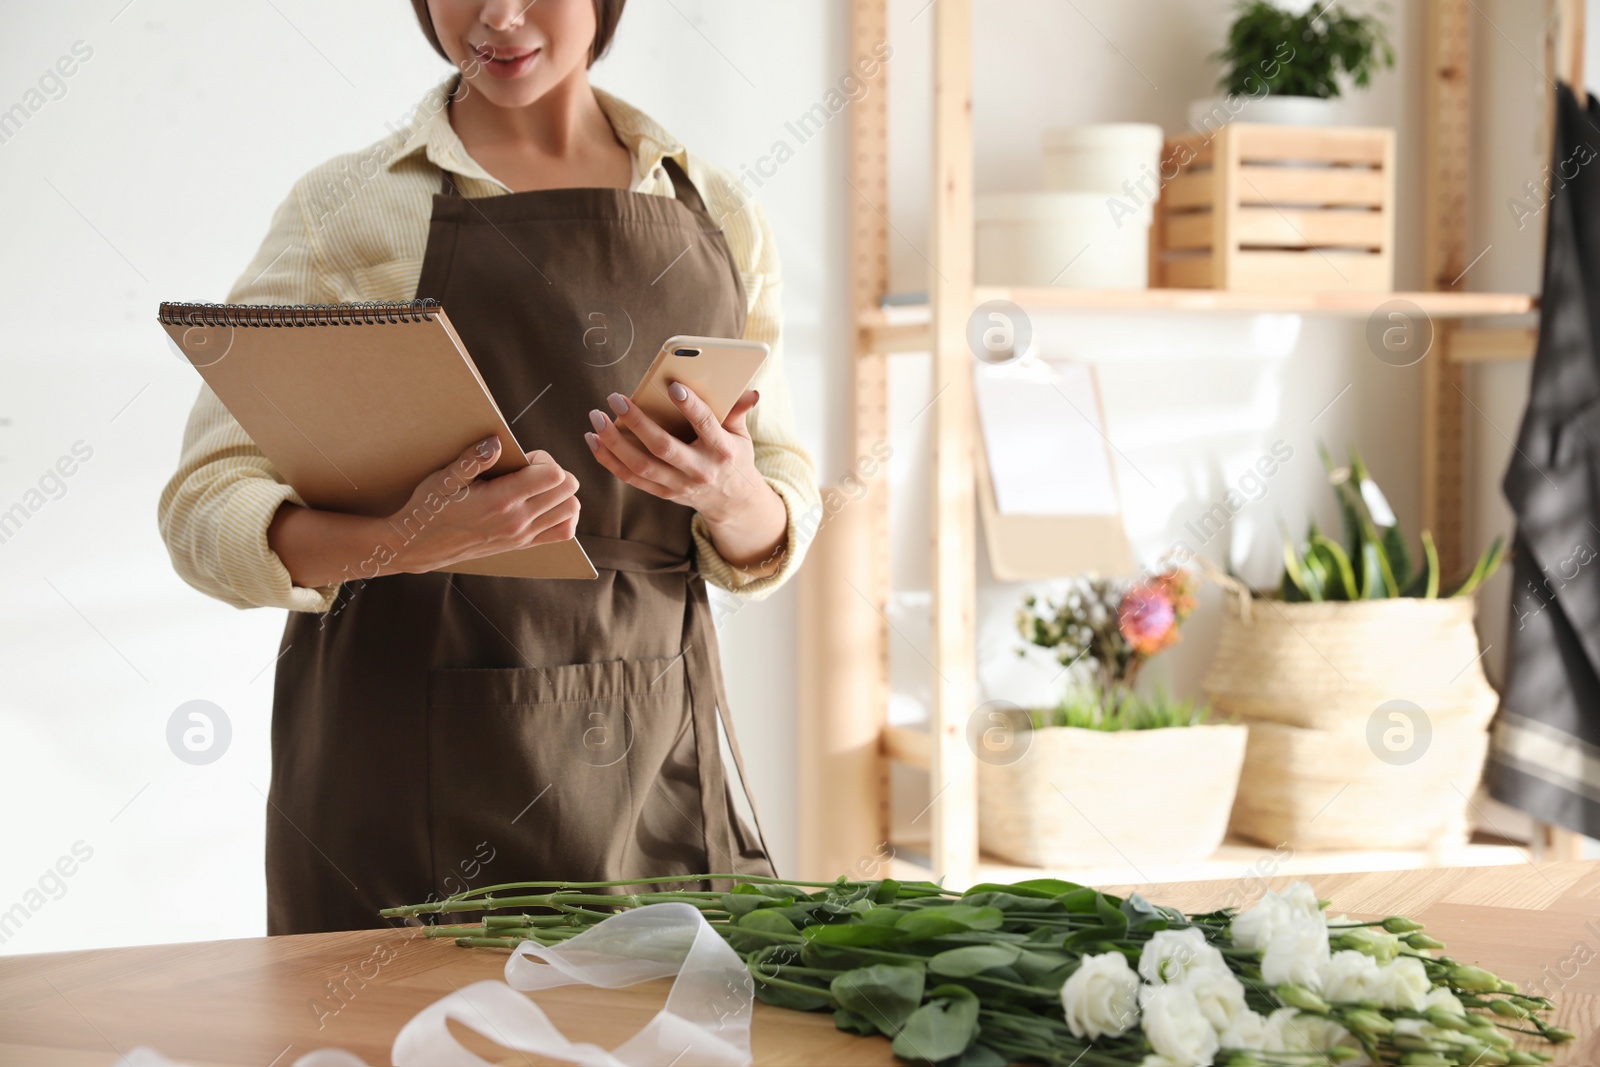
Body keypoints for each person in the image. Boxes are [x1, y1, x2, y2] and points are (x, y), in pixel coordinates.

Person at [157, 0, 819, 935]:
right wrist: (402, 541)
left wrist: (735, 493)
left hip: (650, 750)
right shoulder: (349, 208)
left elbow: (777, 497)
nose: (497, 16)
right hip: (400, 755)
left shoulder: (714, 206)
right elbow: (203, 507)